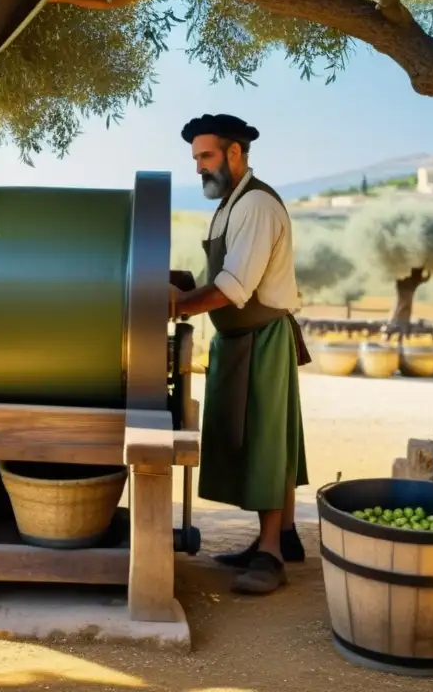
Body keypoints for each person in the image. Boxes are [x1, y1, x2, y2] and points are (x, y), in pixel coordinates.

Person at [168, 113, 311, 596]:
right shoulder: (231, 203)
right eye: (195, 159)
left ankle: (270, 555)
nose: (199, 167)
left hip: (264, 339)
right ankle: (281, 537)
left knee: (267, 443)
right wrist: (185, 284)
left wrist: (181, 305)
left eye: (206, 156)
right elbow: (223, 275)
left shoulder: (256, 205)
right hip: (239, 341)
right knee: (255, 443)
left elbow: (234, 286)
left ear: (234, 153)